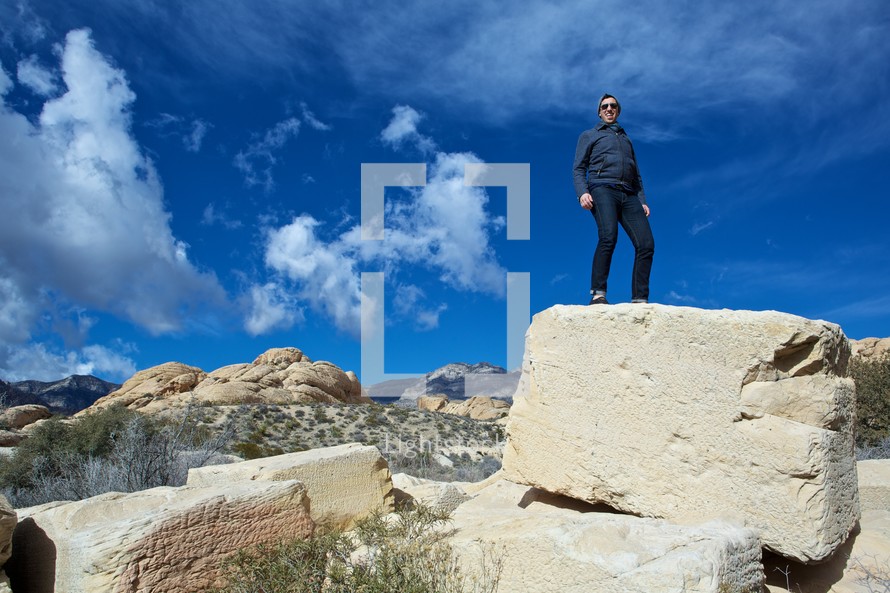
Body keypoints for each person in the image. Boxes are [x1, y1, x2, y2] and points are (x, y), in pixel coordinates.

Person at [573, 93, 655, 305]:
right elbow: (579, 168)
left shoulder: (626, 140)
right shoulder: (590, 135)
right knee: (609, 236)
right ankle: (598, 293)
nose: (609, 109)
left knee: (646, 243)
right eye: (605, 106)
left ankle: (640, 298)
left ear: (618, 110)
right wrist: (583, 192)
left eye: (613, 106)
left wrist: (642, 199)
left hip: (629, 194)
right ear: (599, 112)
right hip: (602, 188)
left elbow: (636, 175)